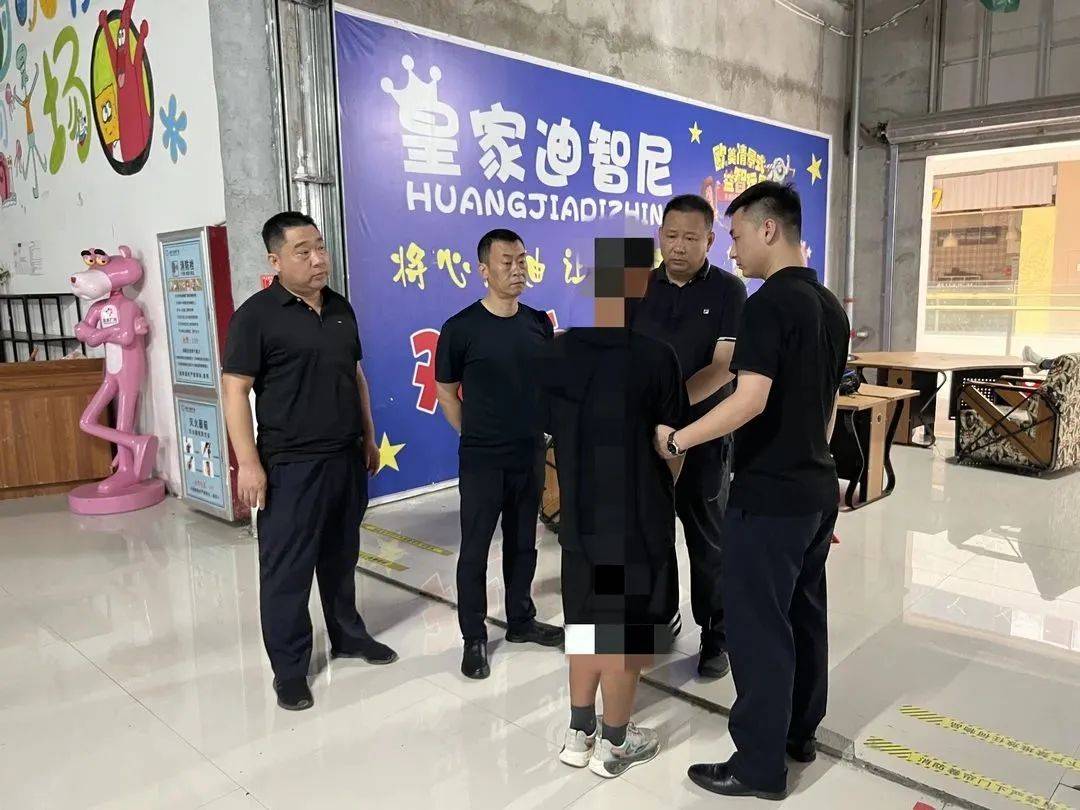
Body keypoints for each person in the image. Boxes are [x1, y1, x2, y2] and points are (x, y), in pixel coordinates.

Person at [656, 182, 849, 800]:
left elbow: (749, 398)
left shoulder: (765, 305)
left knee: (757, 628)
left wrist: (678, 439)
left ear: (769, 229)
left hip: (769, 495)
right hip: (815, 489)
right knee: (803, 614)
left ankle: (759, 765)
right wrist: (817, 469)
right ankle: (799, 734)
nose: (732, 250)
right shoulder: (829, 305)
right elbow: (827, 406)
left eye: (735, 236)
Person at [222, 212, 397, 712]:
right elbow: (234, 391)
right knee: (288, 570)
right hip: (290, 465)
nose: (318, 259)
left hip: (345, 456)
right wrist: (248, 463)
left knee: (341, 557)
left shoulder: (340, 307)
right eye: (303, 251)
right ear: (275, 260)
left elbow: (355, 376)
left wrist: (368, 437)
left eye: (320, 247)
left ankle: (348, 635)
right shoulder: (256, 316)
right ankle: (290, 669)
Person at [537, 237, 688, 779]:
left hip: (580, 519)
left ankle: (579, 733)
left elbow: (550, 430)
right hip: (634, 519)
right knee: (622, 631)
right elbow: (672, 446)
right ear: (640, 290)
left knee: (585, 623)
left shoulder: (557, 353)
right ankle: (618, 743)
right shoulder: (656, 357)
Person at [434, 228, 564, 680]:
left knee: (524, 541)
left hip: (529, 451)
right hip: (482, 457)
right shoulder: (460, 328)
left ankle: (521, 620)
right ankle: (473, 636)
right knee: (475, 548)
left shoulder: (537, 323)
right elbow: (446, 391)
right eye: (506, 262)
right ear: (484, 270)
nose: (516, 269)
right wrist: (473, 433)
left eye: (522, 260)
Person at [632, 193, 746, 679]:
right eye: (671, 235)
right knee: (648, 533)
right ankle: (661, 617)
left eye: (691, 238)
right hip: (643, 437)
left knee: (708, 539)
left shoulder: (729, 290)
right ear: (659, 234)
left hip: (703, 435)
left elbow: (723, 368)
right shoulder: (633, 282)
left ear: (710, 241)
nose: (678, 246)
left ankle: (717, 633)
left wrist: (674, 416)